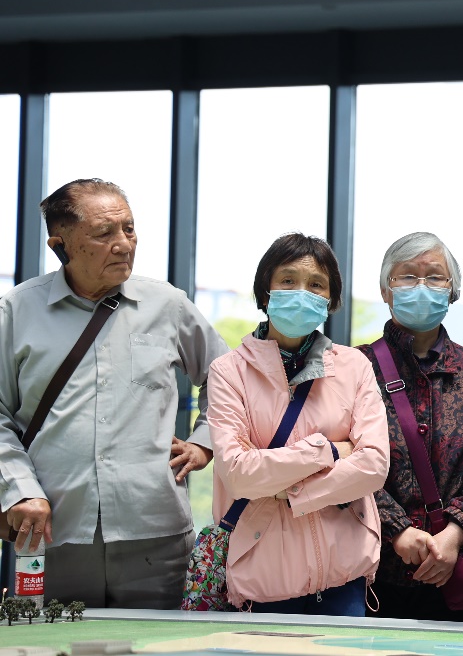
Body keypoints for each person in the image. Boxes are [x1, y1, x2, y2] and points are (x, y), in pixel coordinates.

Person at [0, 178, 228, 609]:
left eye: (129, 228)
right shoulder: (15, 311)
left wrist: (205, 442)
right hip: (52, 532)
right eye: (104, 233)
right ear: (61, 246)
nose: (123, 244)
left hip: (157, 532)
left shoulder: (168, 304)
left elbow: (229, 380)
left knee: (163, 643)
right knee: (49, 640)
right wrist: (20, 488)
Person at [208, 233, 389, 614]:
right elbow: (238, 474)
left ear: (330, 300)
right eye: (288, 280)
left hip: (346, 576)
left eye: (316, 284)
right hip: (263, 579)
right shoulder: (229, 372)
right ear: (265, 293)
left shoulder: (354, 366)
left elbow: (374, 465)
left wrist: (290, 493)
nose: (302, 292)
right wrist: (330, 450)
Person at [358, 232, 463, 622]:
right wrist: (397, 530)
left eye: (435, 277)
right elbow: (343, 463)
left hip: (454, 573)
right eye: (408, 276)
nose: (421, 286)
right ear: (385, 289)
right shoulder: (354, 369)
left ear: (452, 291)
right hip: (369, 572)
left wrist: (454, 536)